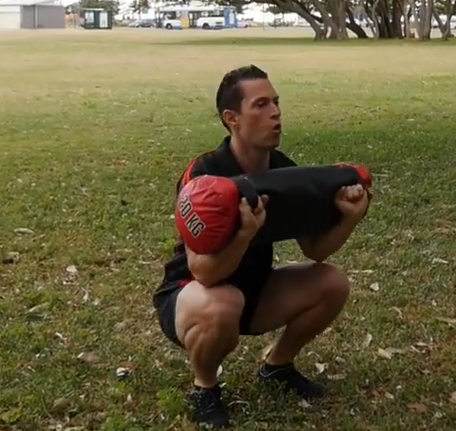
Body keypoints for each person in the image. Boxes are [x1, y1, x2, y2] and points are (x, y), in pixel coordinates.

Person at [151, 64, 372, 428]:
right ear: (232, 118)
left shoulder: (284, 173)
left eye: (276, 102)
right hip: (192, 295)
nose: (275, 112)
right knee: (223, 302)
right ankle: (204, 387)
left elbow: (315, 250)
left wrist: (349, 217)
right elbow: (205, 272)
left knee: (332, 282)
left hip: (253, 293)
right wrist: (243, 234)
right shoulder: (204, 175)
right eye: (261, 104)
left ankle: (277, 368)